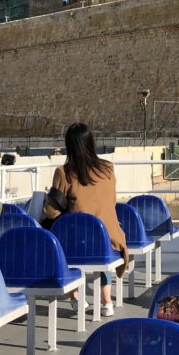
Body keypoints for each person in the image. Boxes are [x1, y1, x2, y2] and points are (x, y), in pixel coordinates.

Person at [44, 122, 129, 317]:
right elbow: (110, 201)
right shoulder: (108, 169)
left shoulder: (64, 172)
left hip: (77, 239)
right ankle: (107, 301)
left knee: (68, 240)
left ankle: (76, 297)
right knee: (100, 238)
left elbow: (52, 210)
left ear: (69, 146)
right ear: (91, 142)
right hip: (108, 237)